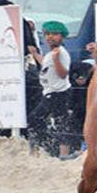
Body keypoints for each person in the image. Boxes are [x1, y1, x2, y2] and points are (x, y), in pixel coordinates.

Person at [27, 21, 72, 158]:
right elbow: (46, 65)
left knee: (34, 119)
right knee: (60, 121)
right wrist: (35, 54)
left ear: (62, 36)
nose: (50, 37)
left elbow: (63, 74)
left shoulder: (61, 53)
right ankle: (62, 152)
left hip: (57, 93)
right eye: (47, 34)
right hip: (51, 91)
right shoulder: (50, 53)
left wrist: (56, 59)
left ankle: (44, 147)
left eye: (54, 34)